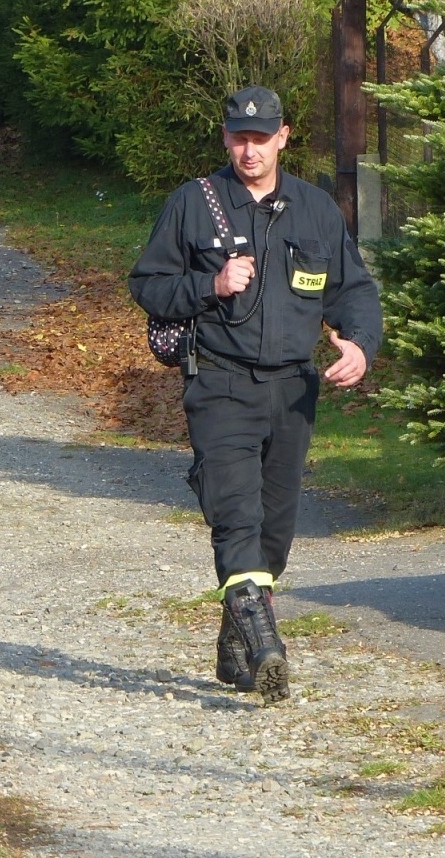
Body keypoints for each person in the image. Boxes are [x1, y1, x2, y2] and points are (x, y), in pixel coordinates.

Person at [128, 87, 382, 703]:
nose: (250, 149)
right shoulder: (193, 204)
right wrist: (208, 283)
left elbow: (354, 290)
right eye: (239, 137)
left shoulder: (317, 210)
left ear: (283, 138)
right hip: (219, 381)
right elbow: (148, 284)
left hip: (293, 388)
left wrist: (358, 345)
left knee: (275, 532)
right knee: (235, 513)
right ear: (225, 138)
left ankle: (234, 638)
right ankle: (267, 643)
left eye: (261, 138)